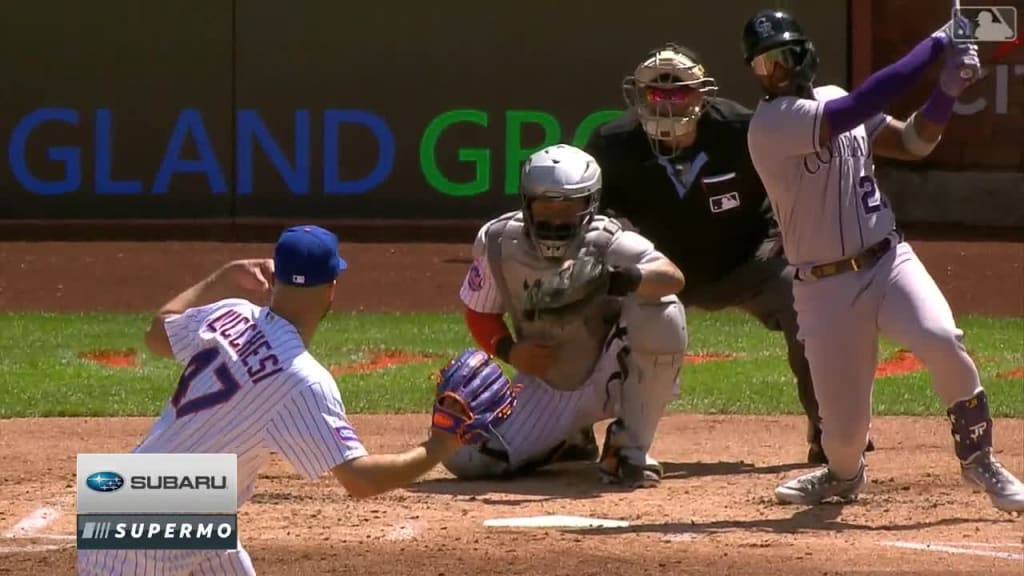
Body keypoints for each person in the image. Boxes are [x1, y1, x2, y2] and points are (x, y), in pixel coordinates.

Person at [77, 225, 515, 574]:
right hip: (152, 527)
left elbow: (158, 332)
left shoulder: (230, 312)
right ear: (331, 290)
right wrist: (438, 446)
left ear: (275, 277)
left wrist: (225, 275)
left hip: (146, 496)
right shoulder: (303, 379)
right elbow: (360, 480)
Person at [740, 9, 1024, 512]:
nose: (776, 73)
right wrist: (937, 45)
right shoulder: (772, 124)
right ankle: (842, 476)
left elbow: (915, 143)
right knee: (844, 440)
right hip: (822, 288)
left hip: (888, 261)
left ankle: (979, 459)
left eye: (782, 58)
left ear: (803, 55)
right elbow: (865, 101)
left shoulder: (830, 100)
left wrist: (947, 94)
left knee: (940, 338)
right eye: (763, 67)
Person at [584, 42, 873, 464]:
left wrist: (780, 240)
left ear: (702, 93)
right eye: (656, 93)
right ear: (638, 95)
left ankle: (831, 429)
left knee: (808, 301)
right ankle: (571, 433)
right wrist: (623, 259)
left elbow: (795, 187)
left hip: (745, 264)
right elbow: (595, 216)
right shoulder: (611, 143)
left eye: (678, 91)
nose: (666, 103)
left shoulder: (744, 130)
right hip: (653, 274)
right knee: (579, 301)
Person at [445, 143, 689, 488]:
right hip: (550, 380)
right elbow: (479, 313)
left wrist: (613, 279)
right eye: (546, 206)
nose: (557, 218)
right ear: (527, 202)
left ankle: (628, 448)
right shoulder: (497, 242)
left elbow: (672, 277)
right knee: (464, 459)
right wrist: (510, 352)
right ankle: (570, 440)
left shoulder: (608, 241)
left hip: (615, 374)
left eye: (570, 207)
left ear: (590, 204)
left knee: (661, 308)